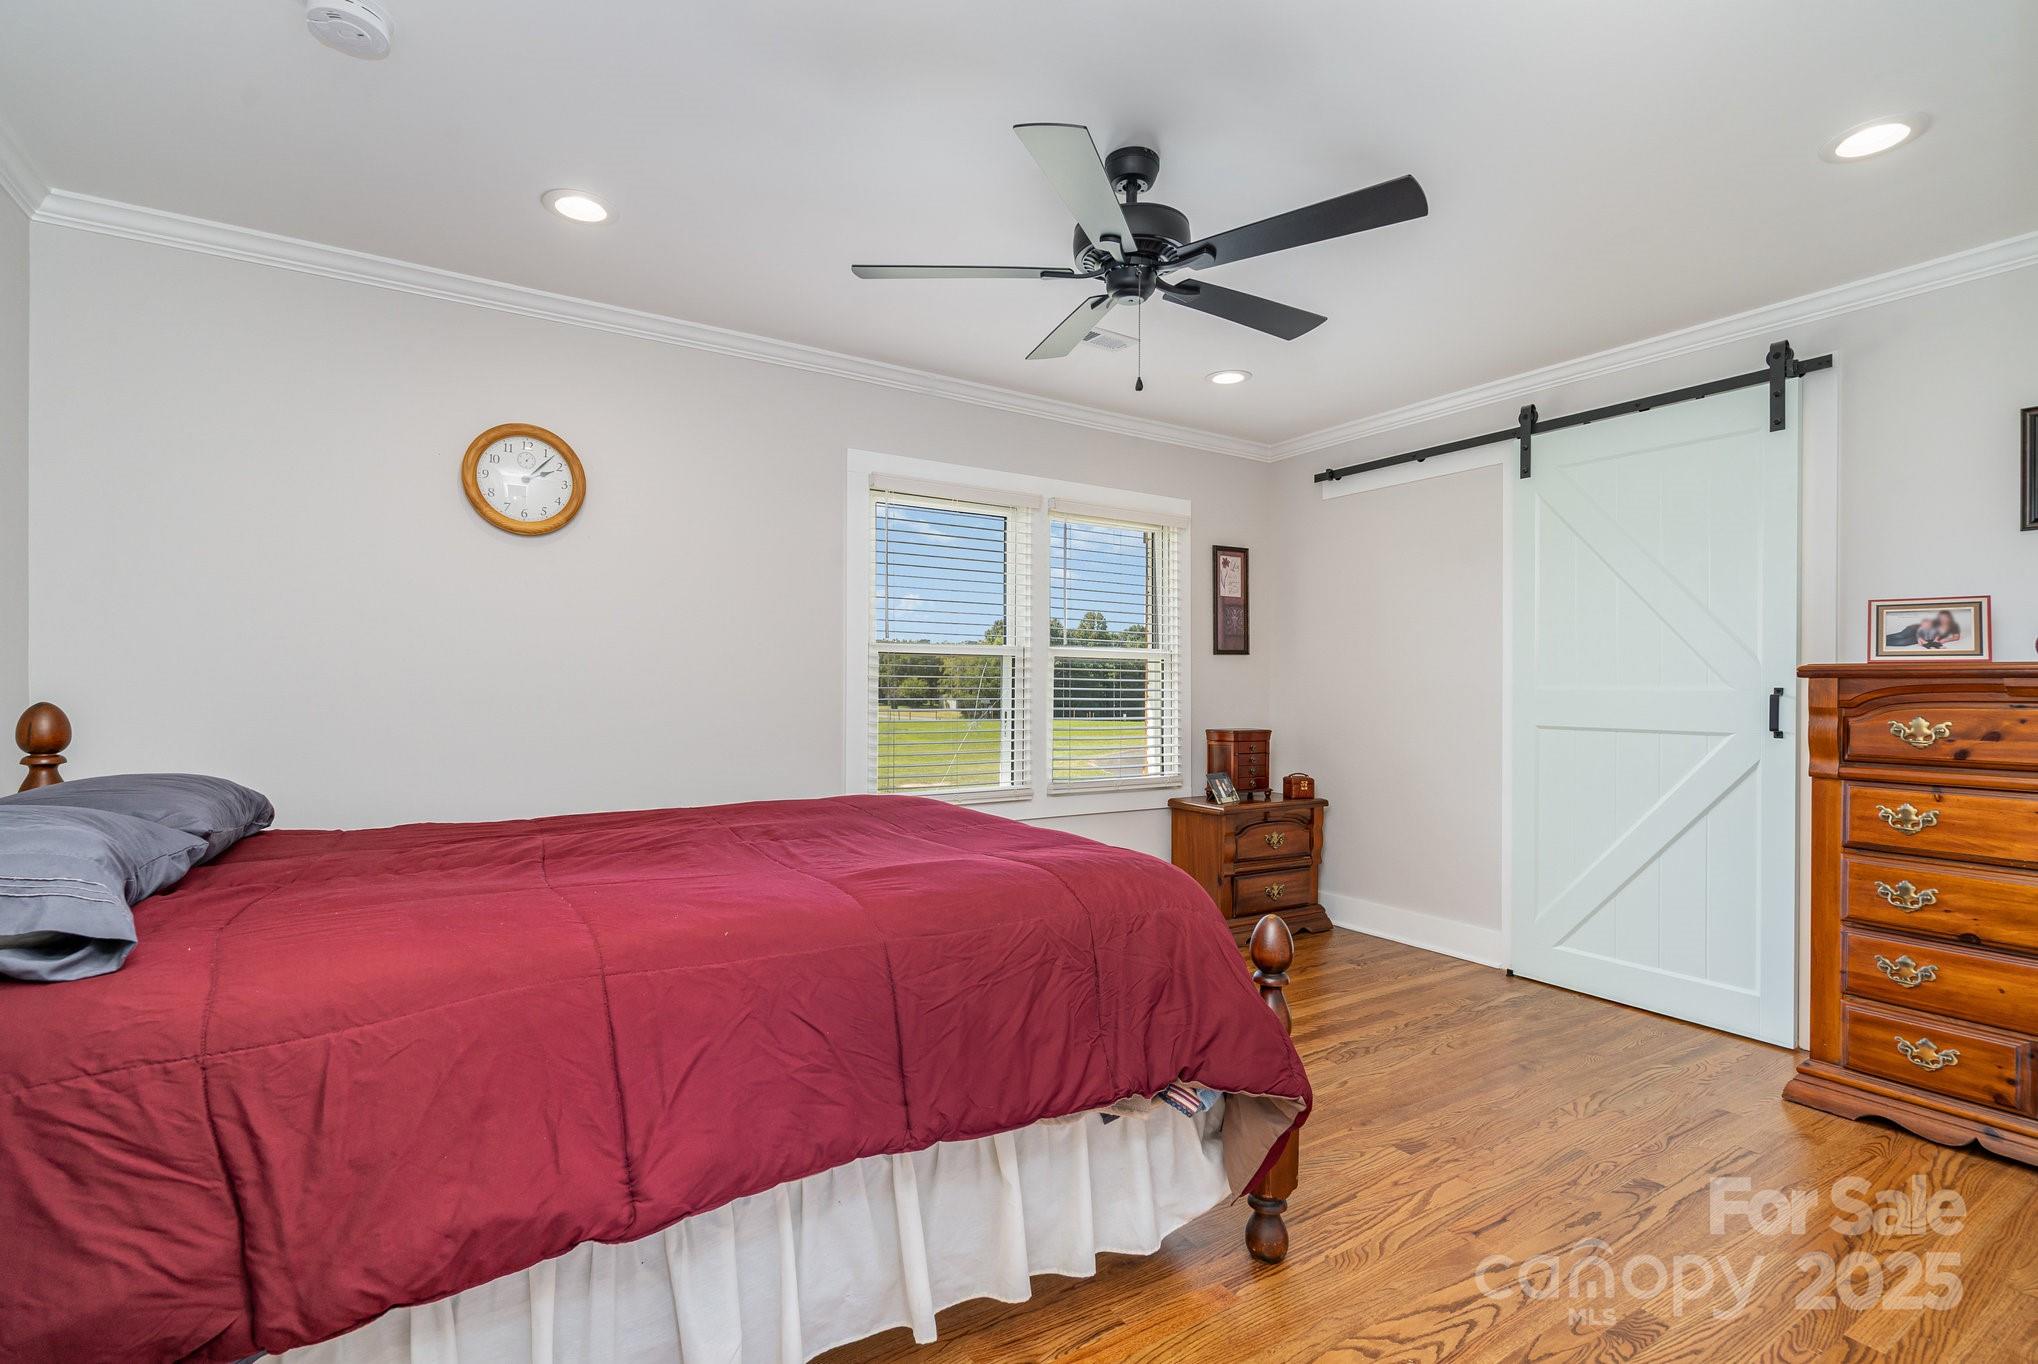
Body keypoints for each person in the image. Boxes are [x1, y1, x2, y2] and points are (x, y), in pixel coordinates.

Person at [1885, 610, 1962, 650]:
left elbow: (1956, 637)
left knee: (1904, 642)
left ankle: (1880, 643)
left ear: (1949, 617)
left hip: (1925, 637)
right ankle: (1878, 640)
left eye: (1945, 617)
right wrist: (1919, 638)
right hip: (1916, 629)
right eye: (1941, 617)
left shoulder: (1954, 625)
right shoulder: (1935, 622)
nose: (1943, 619)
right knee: (1900, 635)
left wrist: (1945, 640)